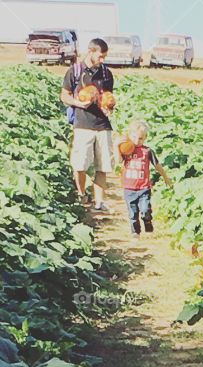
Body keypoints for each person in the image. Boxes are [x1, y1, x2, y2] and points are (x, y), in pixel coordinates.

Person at [60, 38, 115, 212]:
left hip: (102, 125)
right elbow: (64, 95)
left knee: (103, 165)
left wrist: (108, 107)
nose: (103, 60)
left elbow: (107, 97)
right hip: (82, 124)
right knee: (80, 164)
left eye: (105, 57)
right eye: (100, 56)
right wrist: (77, 103)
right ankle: (82, 195)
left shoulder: (106, 74)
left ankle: (99, 202)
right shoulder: (75, 71)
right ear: (91, 51)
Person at [114, 120, 172, 236]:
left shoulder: (147, 151)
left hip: (144, 187)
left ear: (145, 137)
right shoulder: (126, 149)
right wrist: (116, 146)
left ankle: (148, 221)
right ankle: (135, 232)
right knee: (132, 213)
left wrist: (166, 177)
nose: (136, 141)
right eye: (134, 137)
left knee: (145, 210)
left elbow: (157, 165)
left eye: (140, 138)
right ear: (129, 135)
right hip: (129, 188)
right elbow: (118, 160)